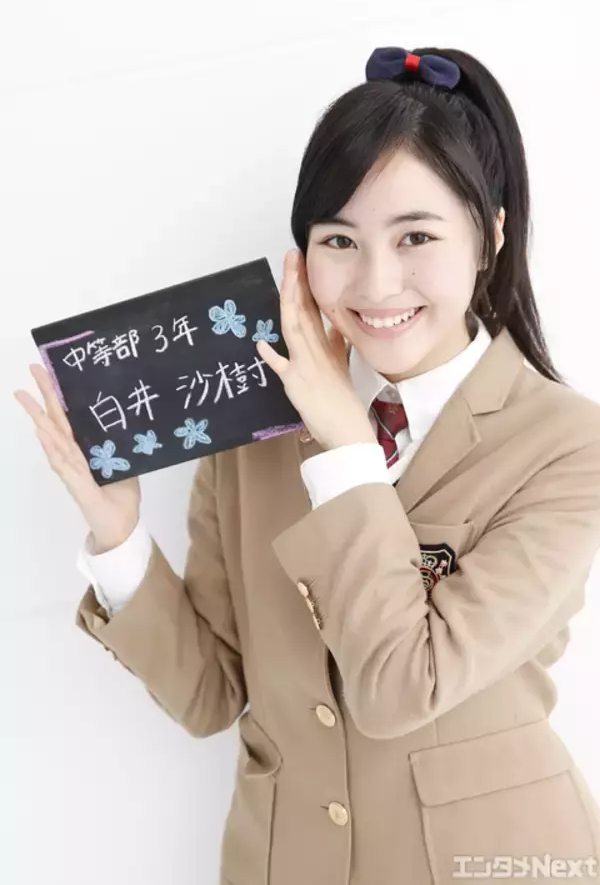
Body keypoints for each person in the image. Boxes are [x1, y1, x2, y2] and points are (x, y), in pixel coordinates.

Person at [14, 45, 600, 885]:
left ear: (491, 236)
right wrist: (119, 537)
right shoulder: (254, 425)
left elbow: (402, 687)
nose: (376, 282)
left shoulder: (569, 445)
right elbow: (212, 695)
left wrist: (347, 451)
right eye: (339, 240)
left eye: (417, 236)